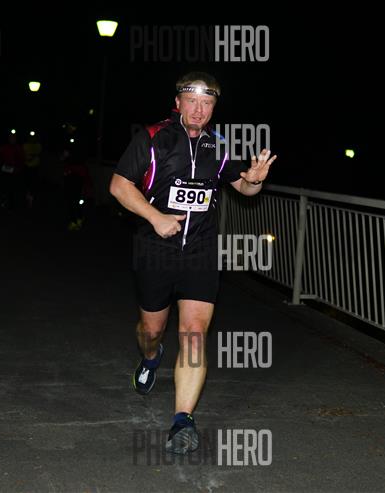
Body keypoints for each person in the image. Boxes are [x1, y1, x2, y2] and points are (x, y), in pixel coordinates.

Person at [109, 71, 276, 454]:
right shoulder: (153, 138)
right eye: (193, 101)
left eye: (207, 103)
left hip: (201, 250)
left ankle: (182, 420)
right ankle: (151, 357)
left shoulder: (218, 146)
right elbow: (119, 185)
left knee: (195, 333)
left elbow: (244, 188)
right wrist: (155, 217)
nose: (199, 110)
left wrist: (254, 180)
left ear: (214, 108)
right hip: (155, 248)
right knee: (152, 330)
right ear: (178, 102)